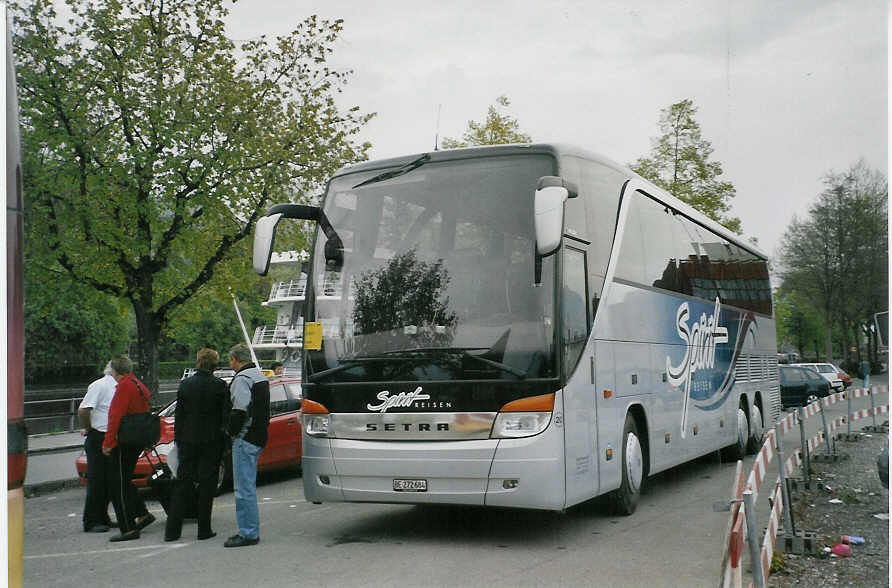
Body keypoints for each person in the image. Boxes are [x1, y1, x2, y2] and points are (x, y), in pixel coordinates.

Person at [164, 349, 229, 542]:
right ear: (215, 364)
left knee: (182, 483)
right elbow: (224, 417)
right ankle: (203, 528)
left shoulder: (185, 385)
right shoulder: (220, 386)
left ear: (198, 362)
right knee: (207, 484)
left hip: (187, 439)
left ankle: (172, 530)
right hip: (211, 440)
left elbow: (180, 415)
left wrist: (179, 439)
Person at [102, 356, 156, 542]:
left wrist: (108, 442)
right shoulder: (138, 384)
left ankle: (128, 527)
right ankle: (142, 513)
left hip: (123, 441)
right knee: (125, 479)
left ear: (115, 371)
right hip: (137, 438)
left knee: (118, 484)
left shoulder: (124, 386)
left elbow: (115, 415)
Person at [224, 344, 270, 548]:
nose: (230, 364)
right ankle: (250, 530)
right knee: (248, 485)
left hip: (246, 436)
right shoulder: (260, 376)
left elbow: (239, 410)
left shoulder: (242, 379)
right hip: (260, 434)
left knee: (243, 488)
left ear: (235, 359)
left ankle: (248, 533)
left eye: (230, 360)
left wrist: (232, 434)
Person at [77, 362, 117, 533]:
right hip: (99, 434)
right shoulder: (100, 385)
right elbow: (84, 409)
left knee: (106, 480)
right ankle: (92, 520)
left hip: (105, 434)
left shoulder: (114, 386)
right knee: (97, 479)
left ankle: (102, 517)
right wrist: (88, 427)